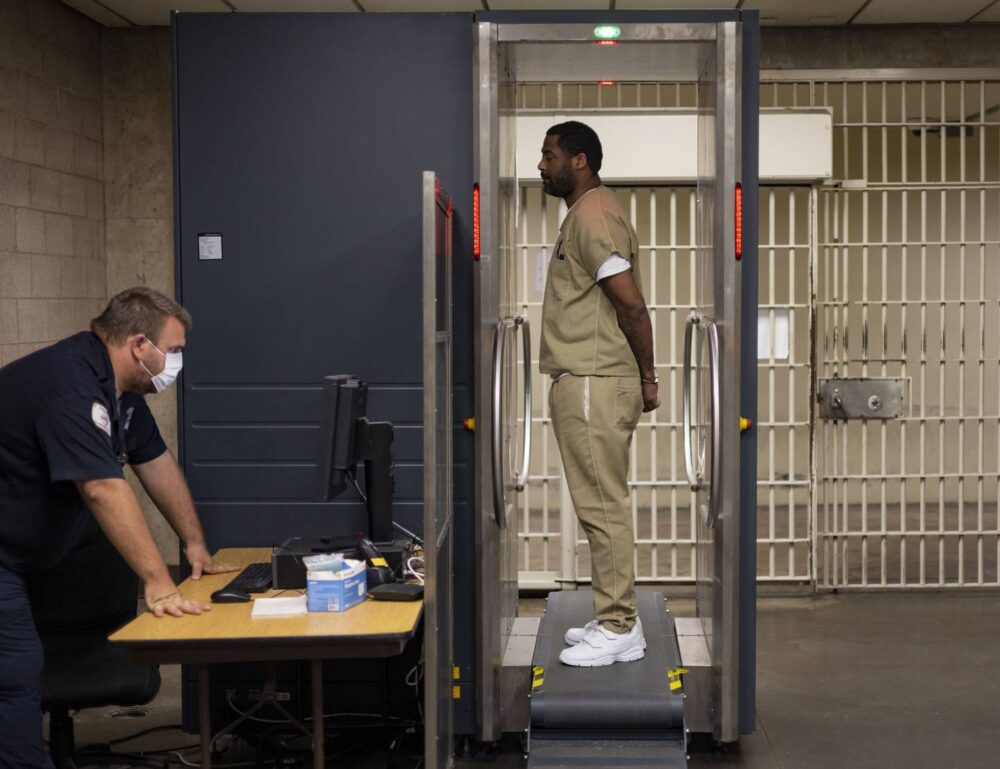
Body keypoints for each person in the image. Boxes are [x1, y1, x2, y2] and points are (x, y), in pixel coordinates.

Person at [0, 287, 238, 769]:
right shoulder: (70, 385)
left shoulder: (120, 393)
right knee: (15, 674)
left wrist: (193, 544)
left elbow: (156, 463)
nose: (175, 363)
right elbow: (102, 489)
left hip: (28, 552)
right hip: (3, 556)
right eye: (172, 351)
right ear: (138, 345)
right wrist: (157, 582)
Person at [537, 121, 660, 667]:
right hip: (587, 379)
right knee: (596, 507)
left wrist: (649, 376)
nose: (541, 165)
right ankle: (611, 613)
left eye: (550, 155)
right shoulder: (584, 215)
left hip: (594, 380)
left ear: (579, 161)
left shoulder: (594, 217)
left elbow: (630, 303)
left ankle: (620, 626)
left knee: (603, 507)